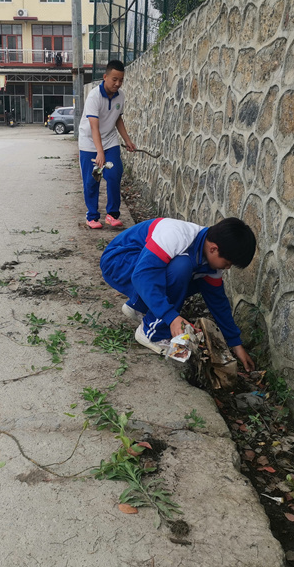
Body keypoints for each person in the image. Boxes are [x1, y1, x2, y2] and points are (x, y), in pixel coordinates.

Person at [100, 216, 256, 371]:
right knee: (181, 267)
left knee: (196, 279)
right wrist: (171, 317)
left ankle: (138, 307)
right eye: (227, 263)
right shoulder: (177, 235)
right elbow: (142, 276)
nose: (227, 268)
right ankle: (151, 334)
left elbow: (218, 302)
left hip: (139, 268)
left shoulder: (209, 260)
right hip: (118, 262)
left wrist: (235, 343)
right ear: (213, 249)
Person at [78, 59, 136, 229]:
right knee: (92, 179)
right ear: (105, 77)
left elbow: (117, 119)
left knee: (114, 174)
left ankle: (112, 215)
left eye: (121, 80)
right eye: (114, 79)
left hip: (110, 140)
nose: (118, 84)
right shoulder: (94, 97)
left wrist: (127, 140)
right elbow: (94, 127)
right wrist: (99, 152)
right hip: (89, 142)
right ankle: (92, 216)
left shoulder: (120, 96)